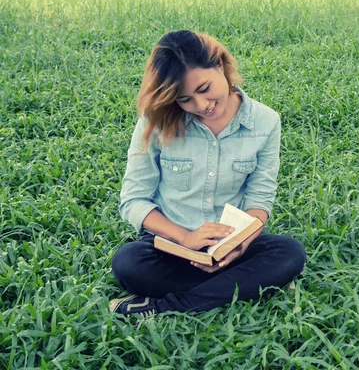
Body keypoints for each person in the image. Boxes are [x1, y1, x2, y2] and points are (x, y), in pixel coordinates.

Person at [109, 30, 306, 317]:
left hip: (231, 249)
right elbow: (133, 200)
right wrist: (185, 238)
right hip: (171, 246)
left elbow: (260, 199)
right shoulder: (156, 122)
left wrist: (241, 244)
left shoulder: (266, 121)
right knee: (128, 263)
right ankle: (246, 286)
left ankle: (165, 307)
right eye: (185, 99)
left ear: (219, 65)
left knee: (290, 253)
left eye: (203, 89)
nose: (201, 106)